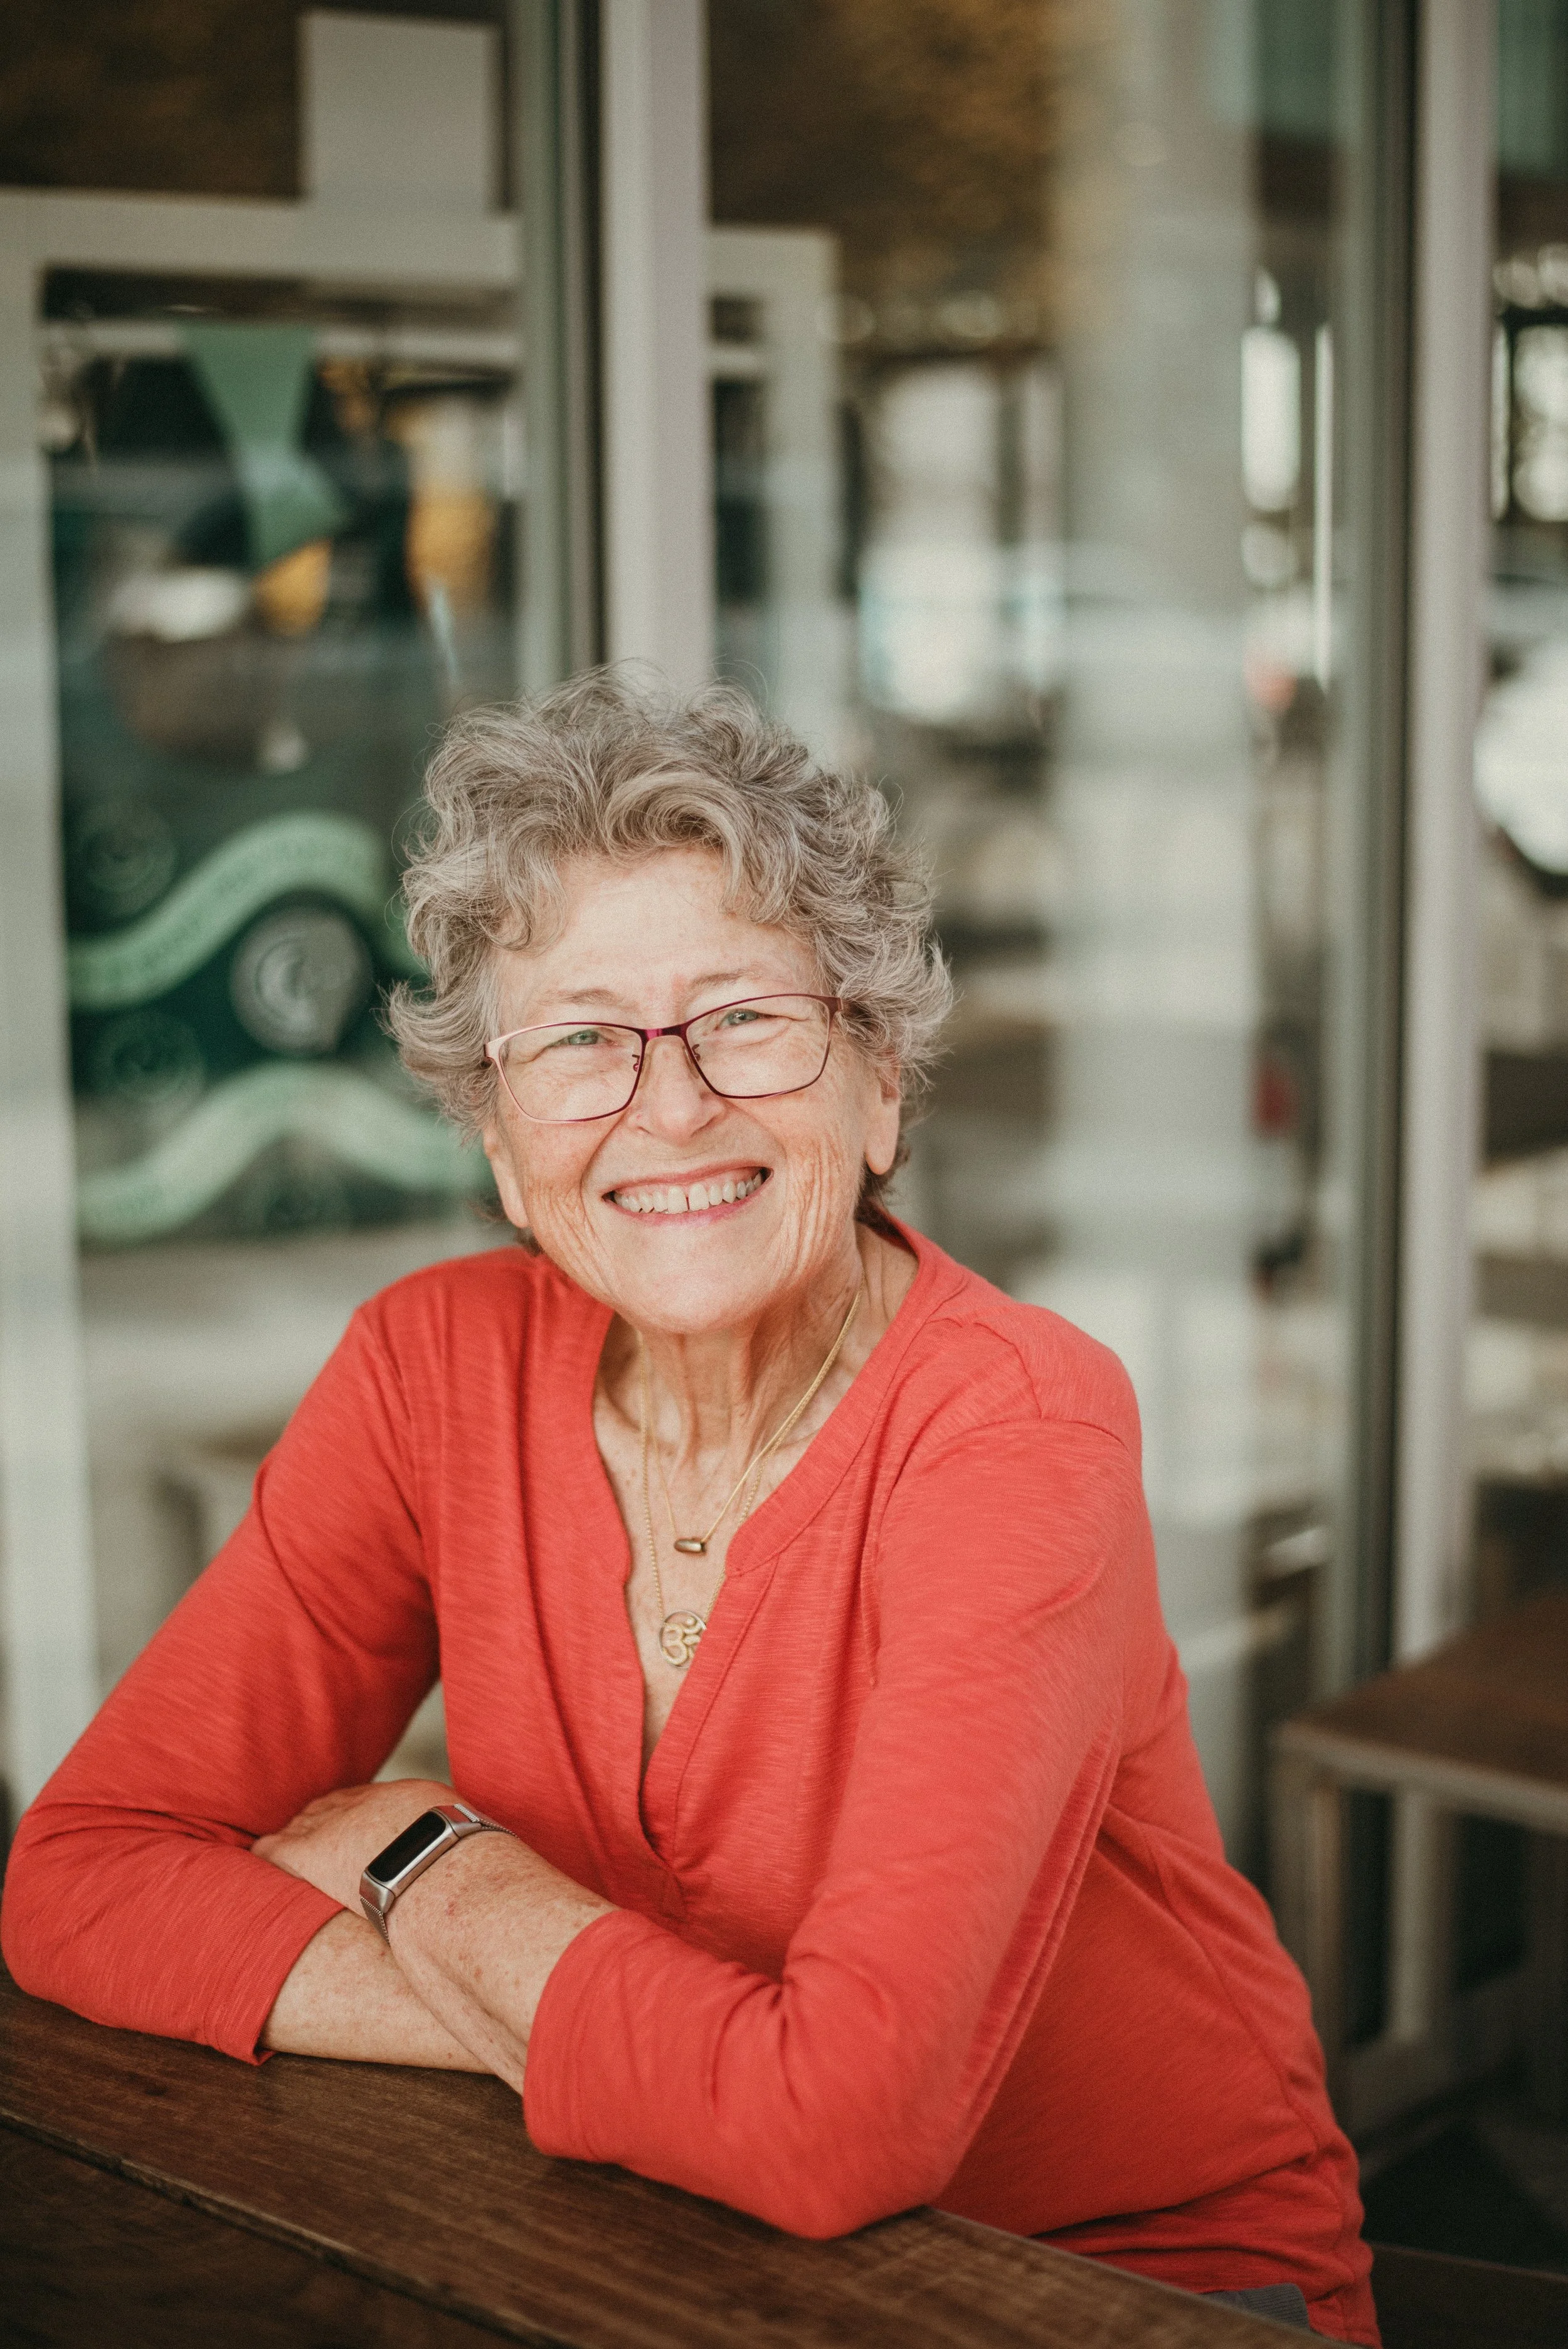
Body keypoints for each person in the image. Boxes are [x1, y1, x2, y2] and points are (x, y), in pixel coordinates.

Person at [2, 676, 1379, 2343]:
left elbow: (835, 2126)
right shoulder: (429, 1370)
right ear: (502, 1148)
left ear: (878, 1093)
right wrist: (641, 2044)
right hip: (670, 2244)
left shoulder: (1015, 1423)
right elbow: (77, 1880)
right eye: (578, 1039)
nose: (667, 1105)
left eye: (745, 1017)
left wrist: (421, 1858)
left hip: (1107, 2283)